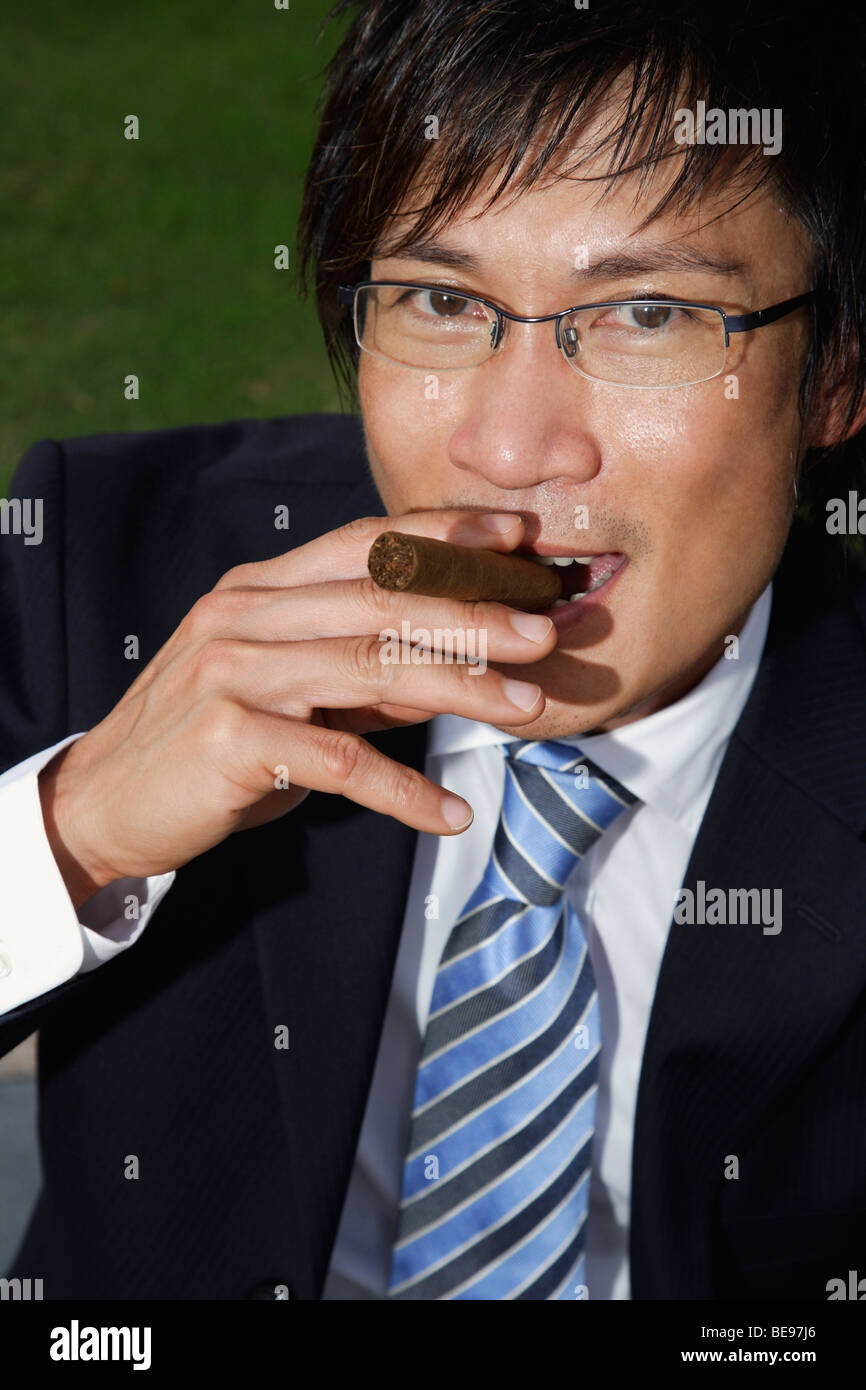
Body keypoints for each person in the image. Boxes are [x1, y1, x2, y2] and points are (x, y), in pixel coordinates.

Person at [2, 0, 866, 1301]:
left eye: (644, 315)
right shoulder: (107, 556)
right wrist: (70, 831)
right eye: (440, 299)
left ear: (838, 373)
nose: (511, 449)